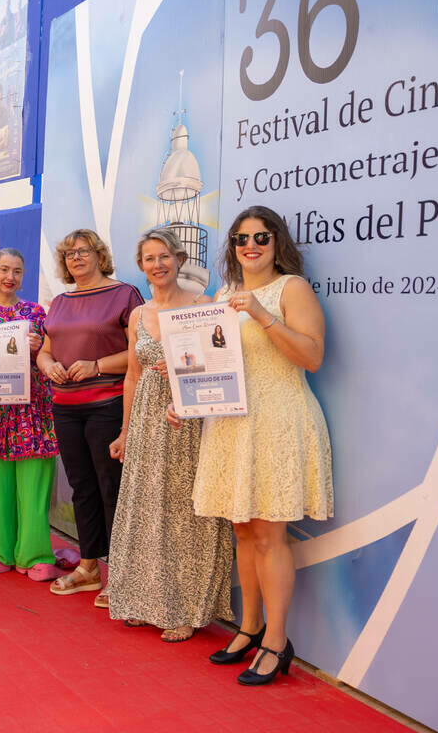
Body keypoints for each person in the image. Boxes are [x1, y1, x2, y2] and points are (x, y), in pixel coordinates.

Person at [177, 206, 332, 685]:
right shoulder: (222, 294)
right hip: (232, 425)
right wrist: (185, 399)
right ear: (233, 246)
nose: (252, 245)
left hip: (279, 420)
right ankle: (249, 626)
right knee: (242, 531)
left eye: (261, 237)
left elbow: (312, 356)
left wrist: (264, 315)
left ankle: (277, 641)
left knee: (270, 535)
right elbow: (212, 366)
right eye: (242, 238)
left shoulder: (293, 289)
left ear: (276, 242)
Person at [106, 229, 234, 642]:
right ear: (140, 265)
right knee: (148, 511)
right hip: (146, 421)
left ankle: (186, 608)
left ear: (178, 260)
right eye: (149, 258)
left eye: (164, 256)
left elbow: (222, 365)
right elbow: (131, 375)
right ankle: (147, 600)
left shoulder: (203, 305)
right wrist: (125, 430)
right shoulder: (137, 315)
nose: (157, 264)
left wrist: (183, 372)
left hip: (191, 421)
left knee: (186, 514)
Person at [38, 229, 143, 605]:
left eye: (84, 251)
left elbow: (140, 351)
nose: (76, 258)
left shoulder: (124, 294)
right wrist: (48, 365)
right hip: (65, 407)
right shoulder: (61, 302)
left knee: (111, 488)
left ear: (100, 255)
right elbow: (46, 350)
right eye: (69, 254)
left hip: (108, 404)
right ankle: (88, 567)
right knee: (81, 487)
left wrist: (97, 365)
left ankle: (122, 574)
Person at [0, 248, 62, 581]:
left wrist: (40, 348)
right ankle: (0, 549)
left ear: (23, 275)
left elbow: (52, 354)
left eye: (17, 271)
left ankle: (34, 553)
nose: (10, 277)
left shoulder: (36, 313)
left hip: (33, 412)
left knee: (34, 484)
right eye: (4, 269)